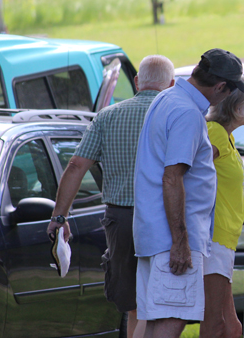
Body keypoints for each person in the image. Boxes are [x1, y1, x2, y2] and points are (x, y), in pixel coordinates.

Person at [47, 55, 175, 338]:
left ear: (138, 82)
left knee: (133, 305)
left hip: (121, 218)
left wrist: (60, 216)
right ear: (172, 84)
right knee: (164, 302)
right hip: (165, 216)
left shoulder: (107, 116)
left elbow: (76, 165)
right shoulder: (175, 115)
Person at [133, 48, 244, 338]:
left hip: (155, 234)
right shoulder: (186, 112)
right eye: (230, 91)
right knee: (172, 321)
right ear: (221, 87)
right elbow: (172, 178)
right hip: (170, 239)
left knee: (161, 321)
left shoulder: (168, 97)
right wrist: (180, 242)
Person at [200, 75, 244, 338]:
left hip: (224, 238)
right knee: (215, 322)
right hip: (214, 237)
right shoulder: (214, 133)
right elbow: (188, 171)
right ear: (236, 108)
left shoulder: (225, 135)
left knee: (232, 326)